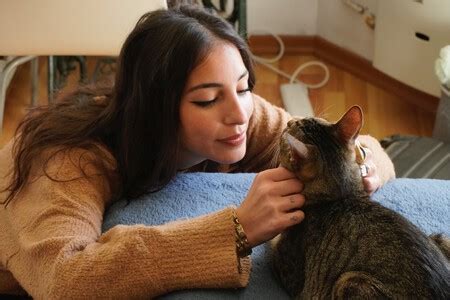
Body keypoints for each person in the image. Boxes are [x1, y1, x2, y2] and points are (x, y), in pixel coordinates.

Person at [0, 5, 395, 299]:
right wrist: (237, 229)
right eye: (207, 99)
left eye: (242, 87)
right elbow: (63, 280)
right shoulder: (66, 161)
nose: (240, 113)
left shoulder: (244, 117)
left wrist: (362, 166)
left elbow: (368, 147)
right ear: (157, 112)